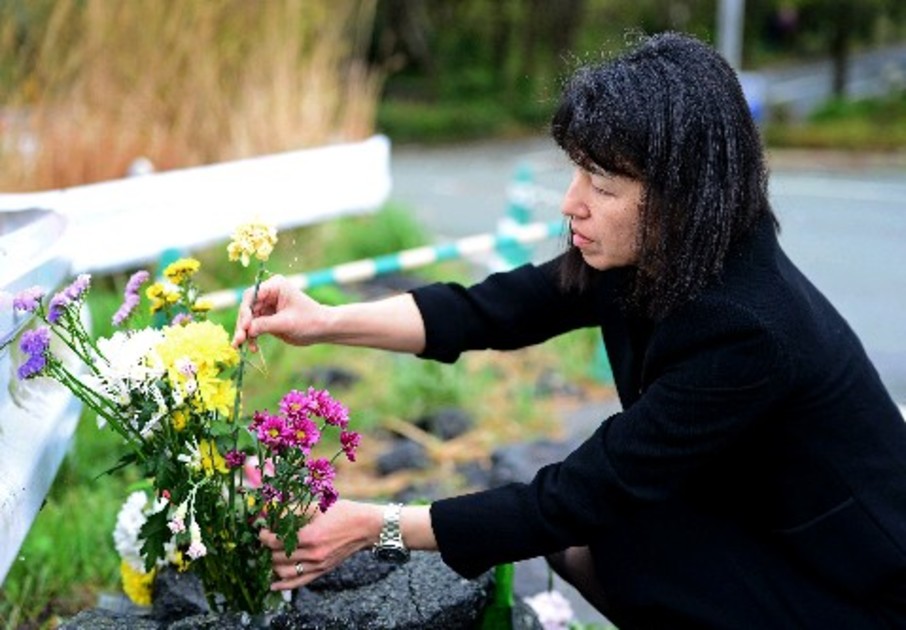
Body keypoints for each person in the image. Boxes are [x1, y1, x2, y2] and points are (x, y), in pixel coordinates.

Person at [233, 31, 906, 628]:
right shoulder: (658, 252)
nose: (571, 202)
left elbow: (580, 495)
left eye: (603, 184)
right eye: (576, 168)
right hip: (761, 522)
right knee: (614, 534)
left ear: (681, 198)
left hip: (858, 586)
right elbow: (492, 309)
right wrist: (322, 320)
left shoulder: (750, 330)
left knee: (605, 530)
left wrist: (371, 526)